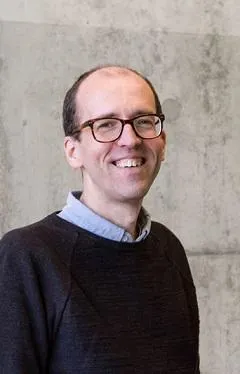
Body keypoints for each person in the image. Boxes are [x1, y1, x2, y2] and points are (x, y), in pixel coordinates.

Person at [0, 65, 200, 373]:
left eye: (144, 121)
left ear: (163, 143)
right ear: (73, 151)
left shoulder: (168, 249)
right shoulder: (27, 257)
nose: (130, 139)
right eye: (105, 125)